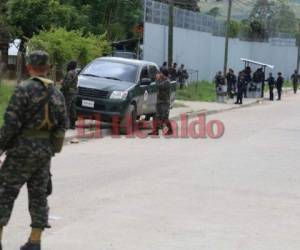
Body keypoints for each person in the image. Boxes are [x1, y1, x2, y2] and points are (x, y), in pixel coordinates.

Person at [0, 51, 67, 250]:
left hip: (21, 151)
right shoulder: (57, 93)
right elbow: (63, 125)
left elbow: (11, 124)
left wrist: (1, 145)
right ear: (47, 68)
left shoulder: (24, 89)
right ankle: (35, 241)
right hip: (44, 153)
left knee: (5, 194)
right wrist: (52, 148)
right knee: (39, 196)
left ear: (29, 67)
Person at [149, 68, 173, 136]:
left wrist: (157, 79)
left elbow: (158, 86)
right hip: (159, 101)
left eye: (161, 73)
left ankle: (170, 130)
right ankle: (155, 131)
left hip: (165, 102)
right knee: (157, 117)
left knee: (164, 117)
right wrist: (158, 79)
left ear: (163, 74)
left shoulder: (167, 82)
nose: (159, 74)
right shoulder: (162, 80)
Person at [61, 60, 78, 129]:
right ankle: (73, 124)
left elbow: (66, 84)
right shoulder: (75, 72)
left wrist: (62, 82)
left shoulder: (70, 73)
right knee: (72, 109)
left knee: (66, 108)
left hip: (68, 93)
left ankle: (65, 125)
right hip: (74, 92)